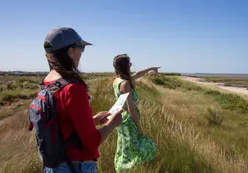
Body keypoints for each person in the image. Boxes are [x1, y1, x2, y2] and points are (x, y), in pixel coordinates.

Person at [41, 26, 123, 173]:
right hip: (75, 166)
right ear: (70, 51)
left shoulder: (47, 83)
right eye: (81, 48)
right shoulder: (73, 89)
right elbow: (92, 142)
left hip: (53, 166)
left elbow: (61, 125)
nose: (81, 53)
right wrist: (113, 124)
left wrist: (92, 120)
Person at [112, 54, 159, 172]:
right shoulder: (126, 84)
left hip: (121, 117)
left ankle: (122, 167)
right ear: (125, 66)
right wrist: (139, 127)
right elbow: (131, 108)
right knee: (139, 146)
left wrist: (151, 68)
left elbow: (138, 74)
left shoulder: (117, 81)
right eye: (130, 64)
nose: (131, 66)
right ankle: (130, 169)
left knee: (124, 146)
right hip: (129, 119)